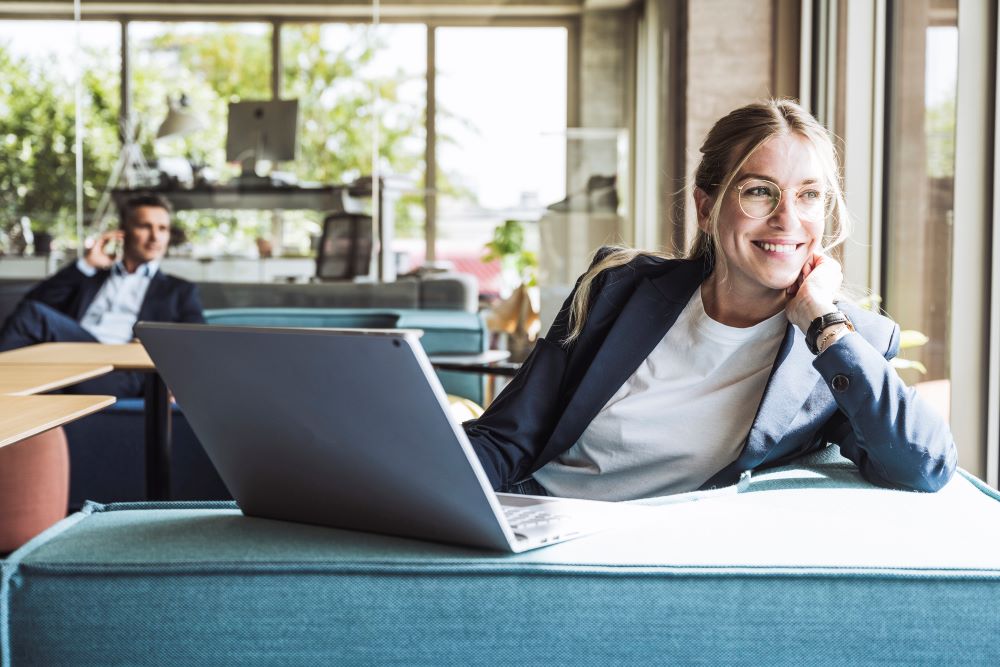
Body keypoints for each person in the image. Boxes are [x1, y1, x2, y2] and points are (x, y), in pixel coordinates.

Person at [464, 99, 957, 500]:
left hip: (653, 564)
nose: (788, 219)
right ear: (706, 207)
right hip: (534, 520)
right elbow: (507, 437)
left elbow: (926, 463)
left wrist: (822, 321)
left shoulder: (838, 348)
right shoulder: (617, 287)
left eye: (809, 195)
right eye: (760, 192)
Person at [0, 194, 205, 397]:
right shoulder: (91, 276)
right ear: (123, 232)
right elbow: (34, 303)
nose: (155, 237)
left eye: (163, 228)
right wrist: (86, 265)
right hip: (71, 357)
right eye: (145, 226)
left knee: (35, 327)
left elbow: (198, 342)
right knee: (33, 317)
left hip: (121, 372)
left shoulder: (179, 290)